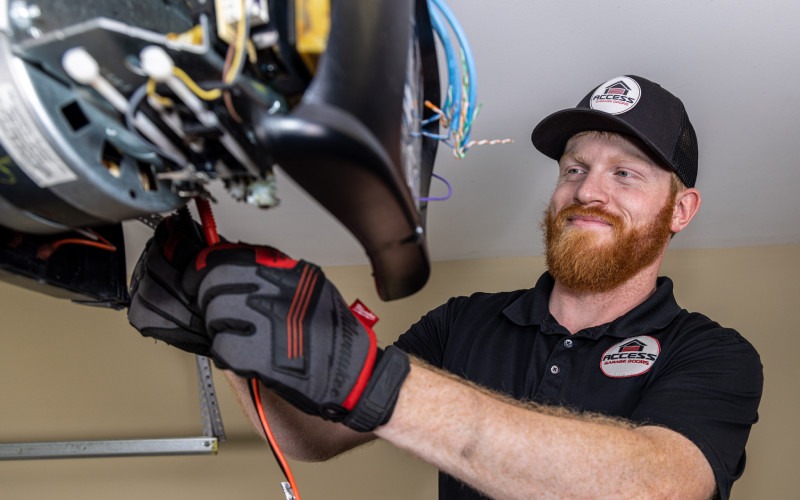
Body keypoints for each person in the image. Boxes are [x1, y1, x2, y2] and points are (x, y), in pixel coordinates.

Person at [128, 75, 763, 499]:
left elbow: (655, 484)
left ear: (680, 210)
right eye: (575, 168)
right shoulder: (462, 323)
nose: (587, 191)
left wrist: (377, 385)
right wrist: (224, 334)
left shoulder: (712, 353)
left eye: (625, 174)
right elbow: (314, 437)